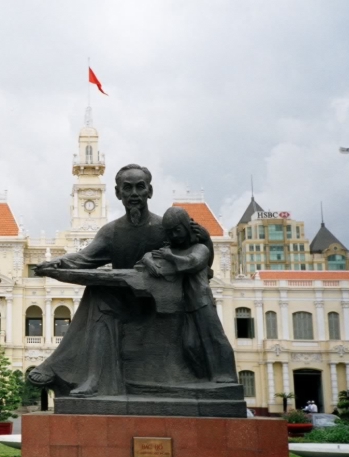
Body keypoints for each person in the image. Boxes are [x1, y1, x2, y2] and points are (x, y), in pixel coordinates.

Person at [28, 164, 216, 397]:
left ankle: (59, 367)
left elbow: (200, 259)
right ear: (118, 193)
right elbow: (83, 258)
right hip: (126, 302)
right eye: (128, 188)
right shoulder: (112, 231)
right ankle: (93, 380)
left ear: (150, 191)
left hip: (161, 305)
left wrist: (206, 239)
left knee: (101, 295)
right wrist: (55, 264)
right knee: (99, 294)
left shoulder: (164, 228)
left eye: (140, 187)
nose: (134, 193)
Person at [143, 207, 238, 383]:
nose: (174, 236)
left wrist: (170, 256)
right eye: (169, 232)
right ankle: (203, 377)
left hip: (202, 302)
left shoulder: (200, 248)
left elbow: (192, 263)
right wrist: (148, 259)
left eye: (177, 230)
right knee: (190, 344)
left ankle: (226, 376)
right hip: (185, 305)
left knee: (215, 338)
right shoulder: (172, 250)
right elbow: (151, 254)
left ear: (187, 228)